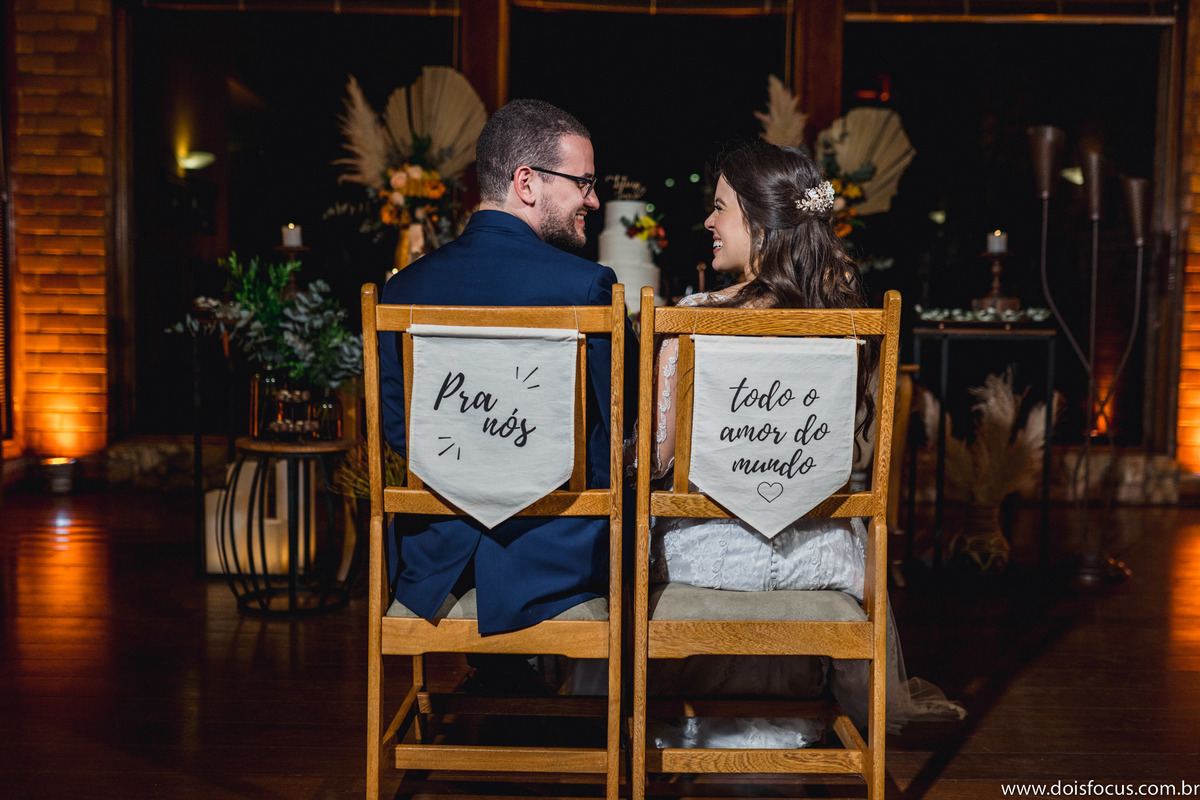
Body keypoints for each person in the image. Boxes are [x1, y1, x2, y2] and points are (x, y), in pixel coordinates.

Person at [642, 139, 964, 747]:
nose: (708, 222)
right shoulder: (848, 322)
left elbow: (657, 461)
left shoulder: (690, 317)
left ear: (760, 222)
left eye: (719, 207)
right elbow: (845, 459)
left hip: (705, 561)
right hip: (817, 561)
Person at [378, 99, 638, 639]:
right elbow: (619, 428)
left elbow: (398, 428)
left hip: (435, 560)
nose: (593, 198)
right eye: (583, 182)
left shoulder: (402, 290)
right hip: (552, 559)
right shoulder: (586, 288)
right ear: (527, 182)